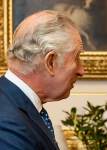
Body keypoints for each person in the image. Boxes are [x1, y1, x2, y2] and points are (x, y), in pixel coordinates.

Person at [0, 10, 84, 149]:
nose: (82, 71)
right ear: (50, 62)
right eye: (76, 58)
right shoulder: (8, 123)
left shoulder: (13, 102)